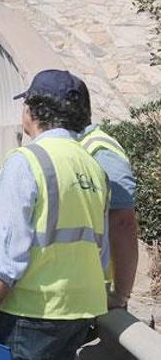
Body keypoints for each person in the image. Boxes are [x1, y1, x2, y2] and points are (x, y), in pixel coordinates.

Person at [0, 70, 110, 360]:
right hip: (80, 311)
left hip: (31, 313)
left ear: (33, 110)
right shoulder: (93, 167)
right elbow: (101, 250)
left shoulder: (26, 162)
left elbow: (8, 255)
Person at [76, 82, 138, 311]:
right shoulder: (72, 147)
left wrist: (120, 296)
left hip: (93, 293)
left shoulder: (100, 150)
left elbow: (122, 222)